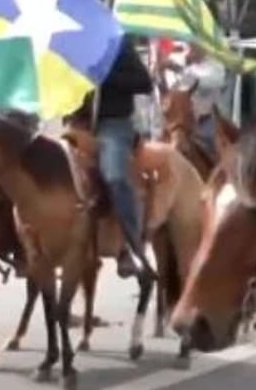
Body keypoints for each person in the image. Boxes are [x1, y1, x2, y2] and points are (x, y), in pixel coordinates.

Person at [96, 34, 155, 278]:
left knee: (115, 177)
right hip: (76, 124)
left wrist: (107, 76)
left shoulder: (117, 41)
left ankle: (132, 246)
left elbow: (144, 82)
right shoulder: (67, 37)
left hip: (114, 125)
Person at [163, 43, 226, 157]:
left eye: (195, 45)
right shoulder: (178, 60)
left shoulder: (216, 67)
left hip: (203, 122)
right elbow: (173, 89)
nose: (191, 49)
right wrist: (162, 69)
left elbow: (209, 81)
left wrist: (181, 69)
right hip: (178, 122)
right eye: (190, 45)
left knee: (214, 152)